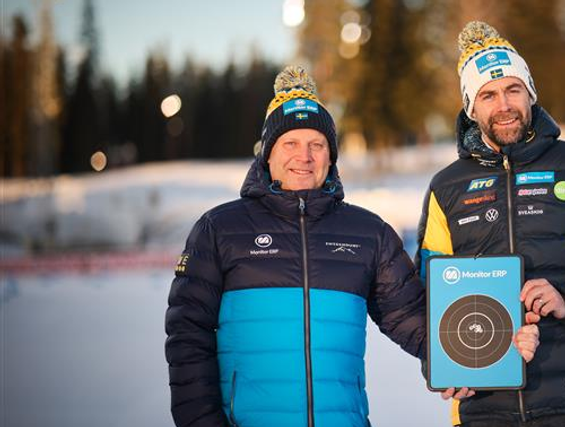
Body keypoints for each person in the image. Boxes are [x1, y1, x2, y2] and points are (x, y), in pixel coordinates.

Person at [165, 65, 539, 427]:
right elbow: (187, 335)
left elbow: (409, 316)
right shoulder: (220, 228)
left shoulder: (367, 232)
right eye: (290, 143)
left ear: (331, 156)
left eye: (317, 144)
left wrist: (468, 358)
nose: (304, 156)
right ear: (268, 153)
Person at [416, 22, 565, 427]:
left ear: (530, 94)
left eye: (513, 90)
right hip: (480, 407)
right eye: (488, 95)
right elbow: (428, 296)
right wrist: (439, 365)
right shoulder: (446, 188)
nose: (504, 105)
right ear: (471, 108)